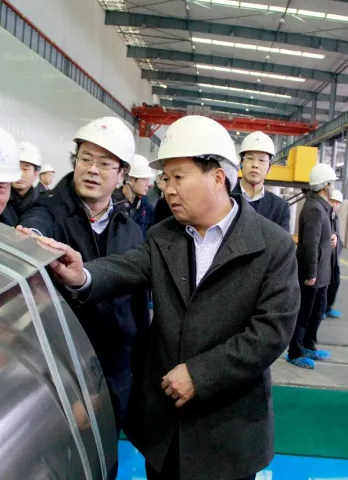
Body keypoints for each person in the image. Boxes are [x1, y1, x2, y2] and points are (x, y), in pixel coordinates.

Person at [31, 115, 299, 480]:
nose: (168, 189)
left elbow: (271, 331)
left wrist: (201, 374)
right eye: (165, 179)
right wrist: (84, 275)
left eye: (178, 178)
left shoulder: (272, 245)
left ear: (217, 178)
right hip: (165, 429)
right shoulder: (165, 235)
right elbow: (128, 266)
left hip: (228, 430)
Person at [17, 117, 149, 440]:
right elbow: (37, 223)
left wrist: (139, 369)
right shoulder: (50, 209)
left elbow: (137, 305)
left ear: (122, 175)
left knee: (108, 453)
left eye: (104, 163)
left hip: (115, 368)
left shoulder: (130, 230)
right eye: (85, 159)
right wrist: (31, 238)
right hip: (61, 367)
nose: (92, 169)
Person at [285, 163, 337, 369]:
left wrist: (332, 238)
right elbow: (310, 244)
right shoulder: (314, 208)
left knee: (317, 311)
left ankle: (308, 345)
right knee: (304, 313)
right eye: (331, 183)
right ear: (325, 185)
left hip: (322, 273)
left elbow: (321, 237)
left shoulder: (323, 207)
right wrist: (310, 273)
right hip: (313, 274)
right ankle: (295, 352)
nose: (333, 186)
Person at [233, 131, 290, 231]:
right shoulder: (225, 198)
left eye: (262, 160)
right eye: (250, 158)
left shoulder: (280, 208)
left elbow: (283, 241)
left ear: (269, 167)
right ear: (241, 162)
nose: (255, 165)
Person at [112, 153, 155, 237]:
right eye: (144, 179)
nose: (148, 184)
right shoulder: (111, 203)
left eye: (148, 179)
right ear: (131, 180)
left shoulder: (148, 208)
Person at [10, 140, 43, 218]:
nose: (20, 174)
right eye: (16, 168)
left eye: (25, 169)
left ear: (36, 173)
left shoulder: (41, 203)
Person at [325, 189, 344, 319]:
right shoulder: (322, 215)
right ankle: (320, 309)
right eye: (333, 201)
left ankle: (327, 308)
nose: (335, 205)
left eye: (337, 203)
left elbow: (338, 236)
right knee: (322, 286)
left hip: (333, 257)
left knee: (335, 282)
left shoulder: (335, 218)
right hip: (324, 257)